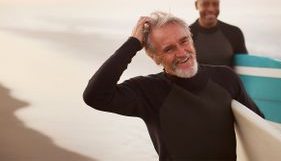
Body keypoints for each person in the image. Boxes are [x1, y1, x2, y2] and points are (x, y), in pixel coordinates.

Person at [83, 11, 263, 161]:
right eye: (169, 49)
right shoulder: (148, 91)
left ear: (192, 40)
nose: (181, 52)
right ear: (155, 58)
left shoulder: (225, 78)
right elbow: (95, 96)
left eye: (184, 41)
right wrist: (133, 43)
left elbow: (259, 126)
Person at [190, 0, 248, 67]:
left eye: (215, 4)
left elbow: (245, 69)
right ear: (196, 5)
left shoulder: (235, 33)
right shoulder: (187, 35)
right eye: (205, 4)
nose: (211, 9)